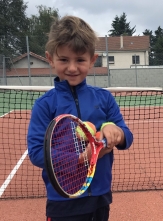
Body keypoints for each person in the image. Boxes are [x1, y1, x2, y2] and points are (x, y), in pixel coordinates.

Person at [27, 15, 133, 221]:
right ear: (50, 59)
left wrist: (117, 133)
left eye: (80, 60)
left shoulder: (104, 98)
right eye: (64, 60)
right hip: (62, 199)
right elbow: (38, 153)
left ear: (93, 60)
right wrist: (80, 159)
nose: (73, 68)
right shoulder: (45, 105)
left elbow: (127, 136)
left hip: (100, 196)